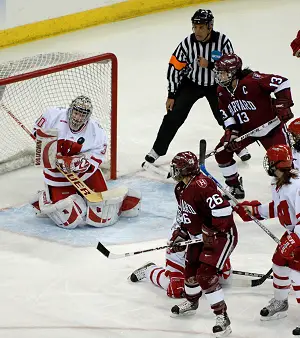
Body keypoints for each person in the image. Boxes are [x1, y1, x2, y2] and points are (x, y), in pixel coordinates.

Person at [143, 151, 237, 336]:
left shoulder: (202, 185)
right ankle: (192, 302)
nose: (174, 171)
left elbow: (224, 211)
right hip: (198, 236)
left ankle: (222, 317)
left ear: (184, 170)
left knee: (205, 275)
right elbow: (187, 217)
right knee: (191, 269)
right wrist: (181, 234)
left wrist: (212, 231)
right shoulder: (180, 188)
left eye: (176, 168)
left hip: (221, 236)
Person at [144, 9, 250, 165]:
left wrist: (210, 65)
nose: (197, 31)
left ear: (210, 26)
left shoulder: (223, 41)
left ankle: (239, 145)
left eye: (201, 27)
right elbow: (175, 68)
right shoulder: (187, 43)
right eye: (195, 27)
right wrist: (172, 94)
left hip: (217, 85)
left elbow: (231, 66)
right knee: (173, 116)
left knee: (226, 116)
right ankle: (157, 150)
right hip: (192, 83)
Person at [30, 95, 140, 229]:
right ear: (70, 110)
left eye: (82, 115)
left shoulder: (95, 130)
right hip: (57, 176)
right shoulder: (54, 115)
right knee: (70, 219)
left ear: (87, 116)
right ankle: (44, 198)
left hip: (84, 175)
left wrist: (79, 162)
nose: (77, 118)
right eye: (76, 113)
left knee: (101, 213)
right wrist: (48, 149)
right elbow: (37, 132)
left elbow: (98, 155)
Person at [234, 144, 300, 336]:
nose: (268, 165)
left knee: (297, 273)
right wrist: (254, 211)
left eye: (270, 162)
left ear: (277, 164)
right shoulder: (280, 184)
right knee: (279, 263)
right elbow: (279, 208)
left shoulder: (296, 186)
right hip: (294, 233)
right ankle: (281, 302)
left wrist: (294, 240)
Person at [213, 53, 294, 199]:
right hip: (247, 131)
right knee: (221, 153)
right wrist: (231, 133)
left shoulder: (252, 81)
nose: (220, 77)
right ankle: (234, 186)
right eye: (218, 73)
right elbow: (227, 114)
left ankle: (292, 191)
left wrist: (283, 104)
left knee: (283, 163)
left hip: (272, 128)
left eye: (223, 73)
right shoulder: (221, 91)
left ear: (233, 72)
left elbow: (282, 82)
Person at [129, 222, 232, 299]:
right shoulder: (185, 214)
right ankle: (149, 270)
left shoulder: (210, 207)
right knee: (176, 289)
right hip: (180, 257)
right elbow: (175, 245)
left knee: (224, 277)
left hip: (201, 253)